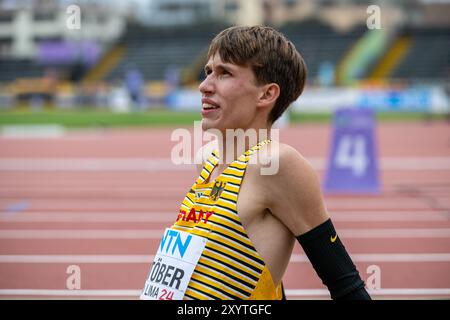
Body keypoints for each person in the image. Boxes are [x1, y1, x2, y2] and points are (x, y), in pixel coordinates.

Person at [141, 26, 371, 300]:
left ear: (266, 95)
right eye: (208, 72)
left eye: (224, 73)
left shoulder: (277, 164)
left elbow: (346, 285)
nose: (204, 86)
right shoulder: (207, 160)